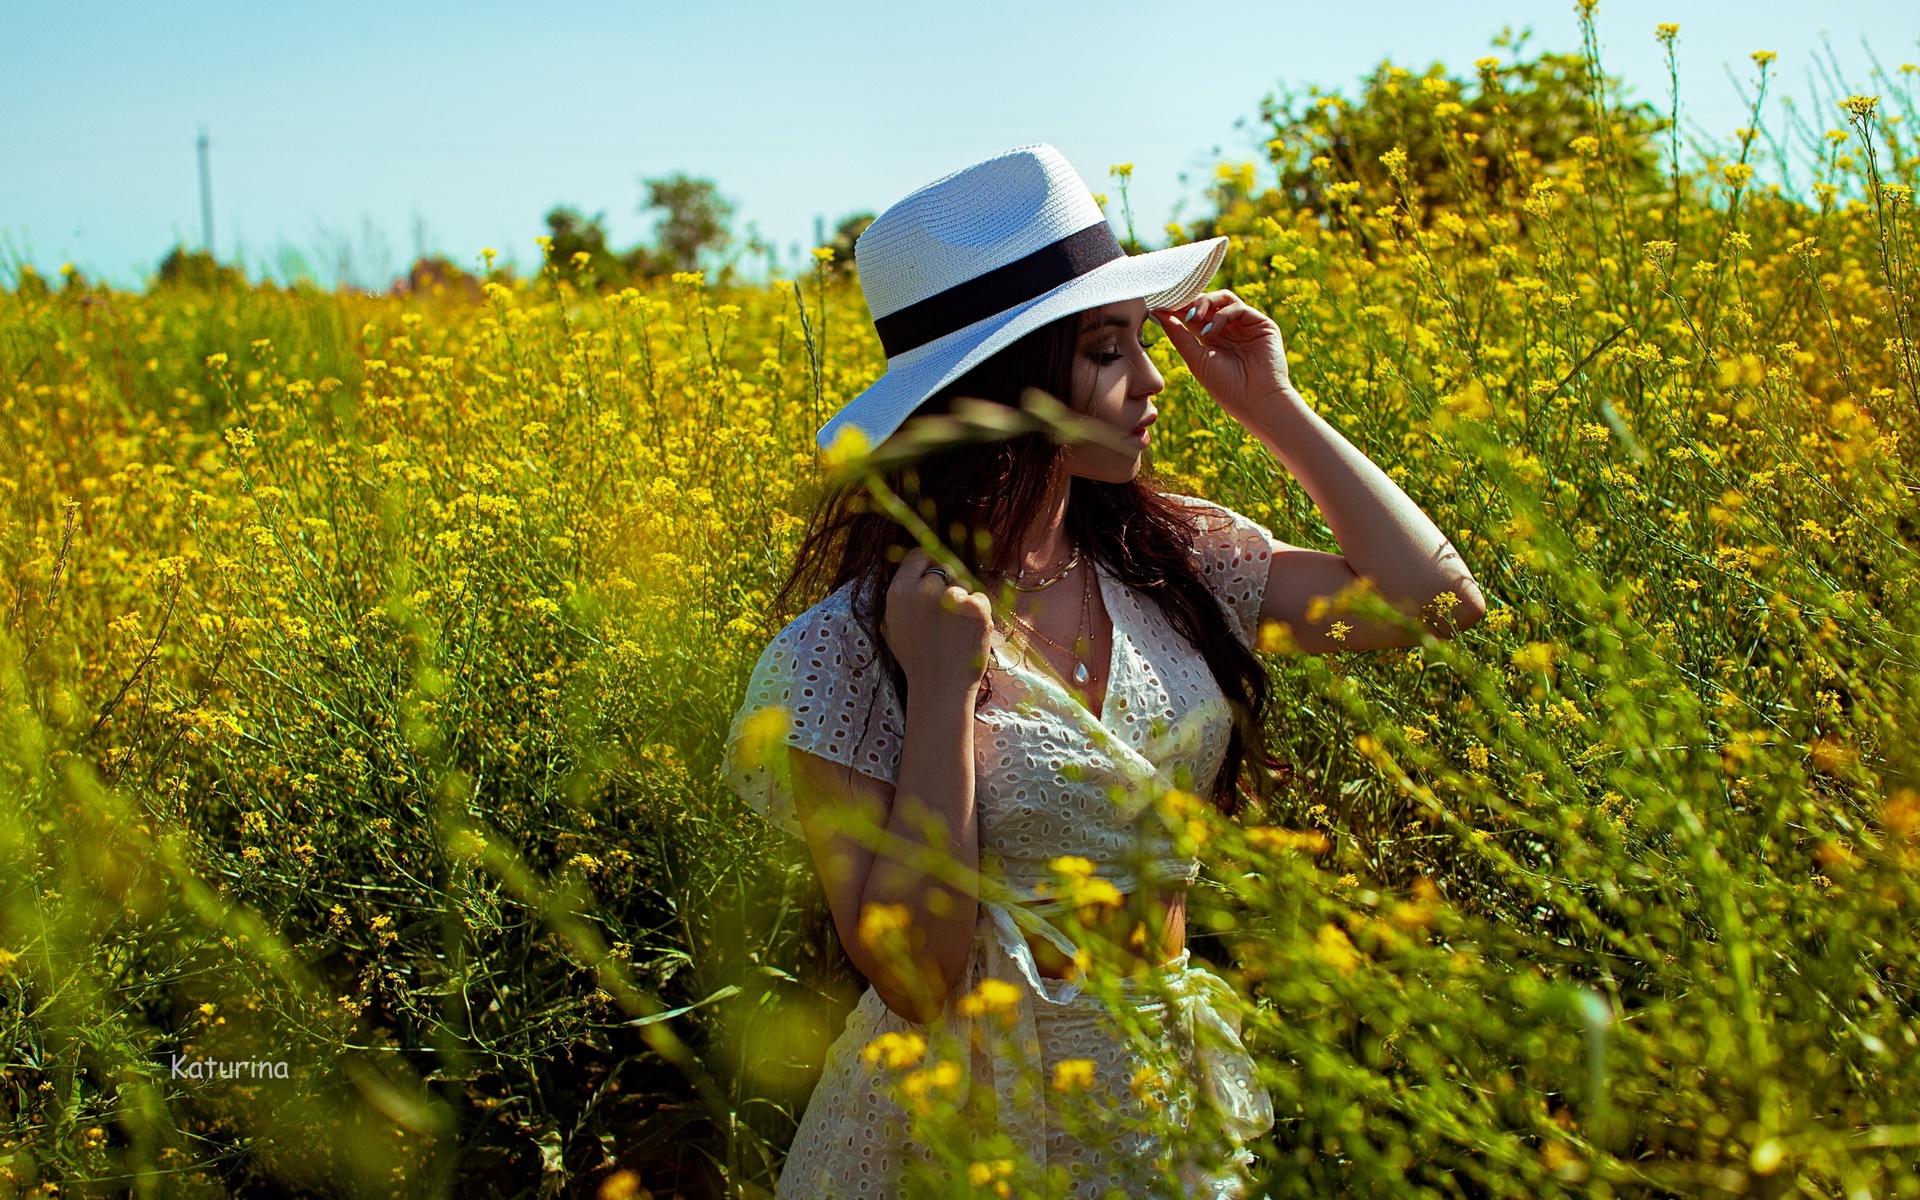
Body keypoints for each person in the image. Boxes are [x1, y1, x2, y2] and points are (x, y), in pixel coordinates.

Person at [724, 144, 1486, 1199]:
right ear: (1008, 387)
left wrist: (1274, 408)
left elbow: (1435, 604)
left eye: (1139, 341)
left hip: (1158, 1093)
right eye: (1104, 351)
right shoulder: (841, 651)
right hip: (965, 1126)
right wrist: (943, 692)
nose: (1154, 380)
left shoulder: (1168, 562)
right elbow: (916, 976)